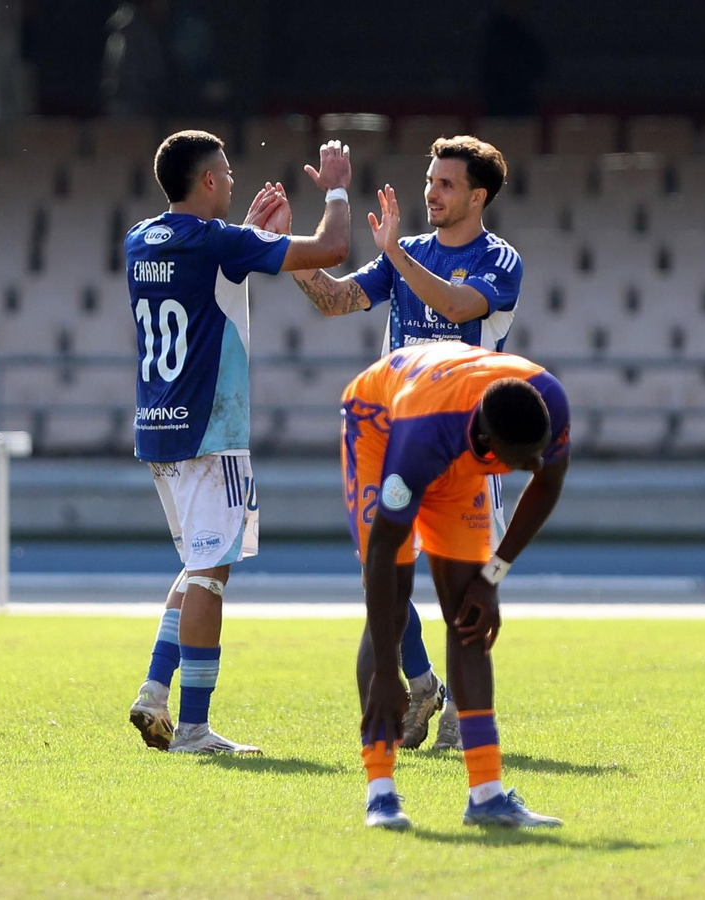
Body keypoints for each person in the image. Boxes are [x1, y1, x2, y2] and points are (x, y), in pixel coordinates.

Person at [282, 136, 520, 752]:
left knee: (461, 588)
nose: (431, 193)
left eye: (445, 184)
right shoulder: (405, 251)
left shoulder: (500, 260)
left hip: (469, 448)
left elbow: (457, 302)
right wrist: (287, 250)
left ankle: (462, 718)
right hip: (399, 444)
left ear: (478, 195)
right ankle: (421, 684)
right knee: (381, 572)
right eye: (429, 180)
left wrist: (396, 256)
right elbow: (335, 300)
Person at [123, 130, 353, 754]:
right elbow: (333, 246)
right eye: (224, 172)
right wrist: (334, 186)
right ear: (206, 182)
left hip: (159, 428)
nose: (231, 178)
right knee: (211, 576)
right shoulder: (221, 244)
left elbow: (204, 279)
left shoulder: (139, 239)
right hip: (210, 432)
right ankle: (194, 727)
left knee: (195, 565)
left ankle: (153, 691)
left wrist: (249, 234)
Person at [340, 342, 570, 830]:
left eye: (538, 454)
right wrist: (387, 672)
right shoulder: (418, 439)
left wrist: (492, 577)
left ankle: (485, 796)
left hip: (456, 433)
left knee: (469, 617)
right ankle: (380, 792)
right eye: (521, 460)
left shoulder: (548, 404)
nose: (533, 466)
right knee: (392, 607)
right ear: (489, 441)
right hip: (382, 425)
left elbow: (547, 484)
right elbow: (383, 551)